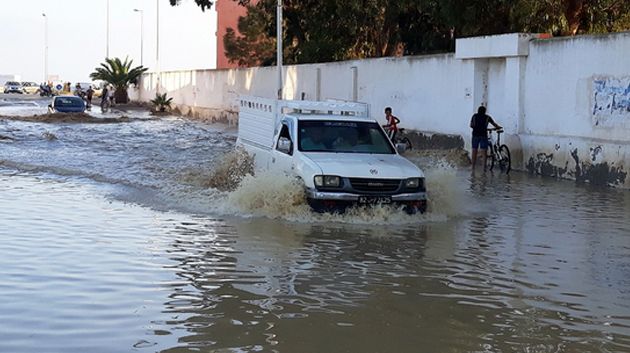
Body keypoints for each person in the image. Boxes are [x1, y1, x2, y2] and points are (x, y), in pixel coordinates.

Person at [470, 105, 501, 170]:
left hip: (475, 134)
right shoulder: (487, 117)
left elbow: (471, 125)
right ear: (485, 111)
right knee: (484, 152)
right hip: (483, 135)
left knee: (474, 150)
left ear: (478, 110)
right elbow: (494, 124)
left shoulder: (474, 116)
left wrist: (476, 127)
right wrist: (498, 127)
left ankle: (473, 167)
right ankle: (484, 167)